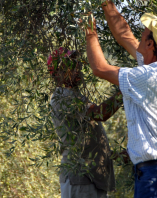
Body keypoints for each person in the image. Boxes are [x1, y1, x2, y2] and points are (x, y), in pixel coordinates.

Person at [84, 0, 157, 198]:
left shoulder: (148, 77)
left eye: (145, 33)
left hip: (155, 175)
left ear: (150, 45)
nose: (140, 34)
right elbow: (124, 34)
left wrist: (88, 30)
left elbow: (99, 68)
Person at [48, 47, 123, 198]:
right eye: (71, 65)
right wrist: (126, 89)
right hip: (81, 178)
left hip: (90, 178)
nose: (78, 68)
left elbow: (85, 138)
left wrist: (112, 155)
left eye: (77, 64)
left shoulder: (73, 96)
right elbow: (101, 113)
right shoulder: (63, 98)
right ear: (58, 72)